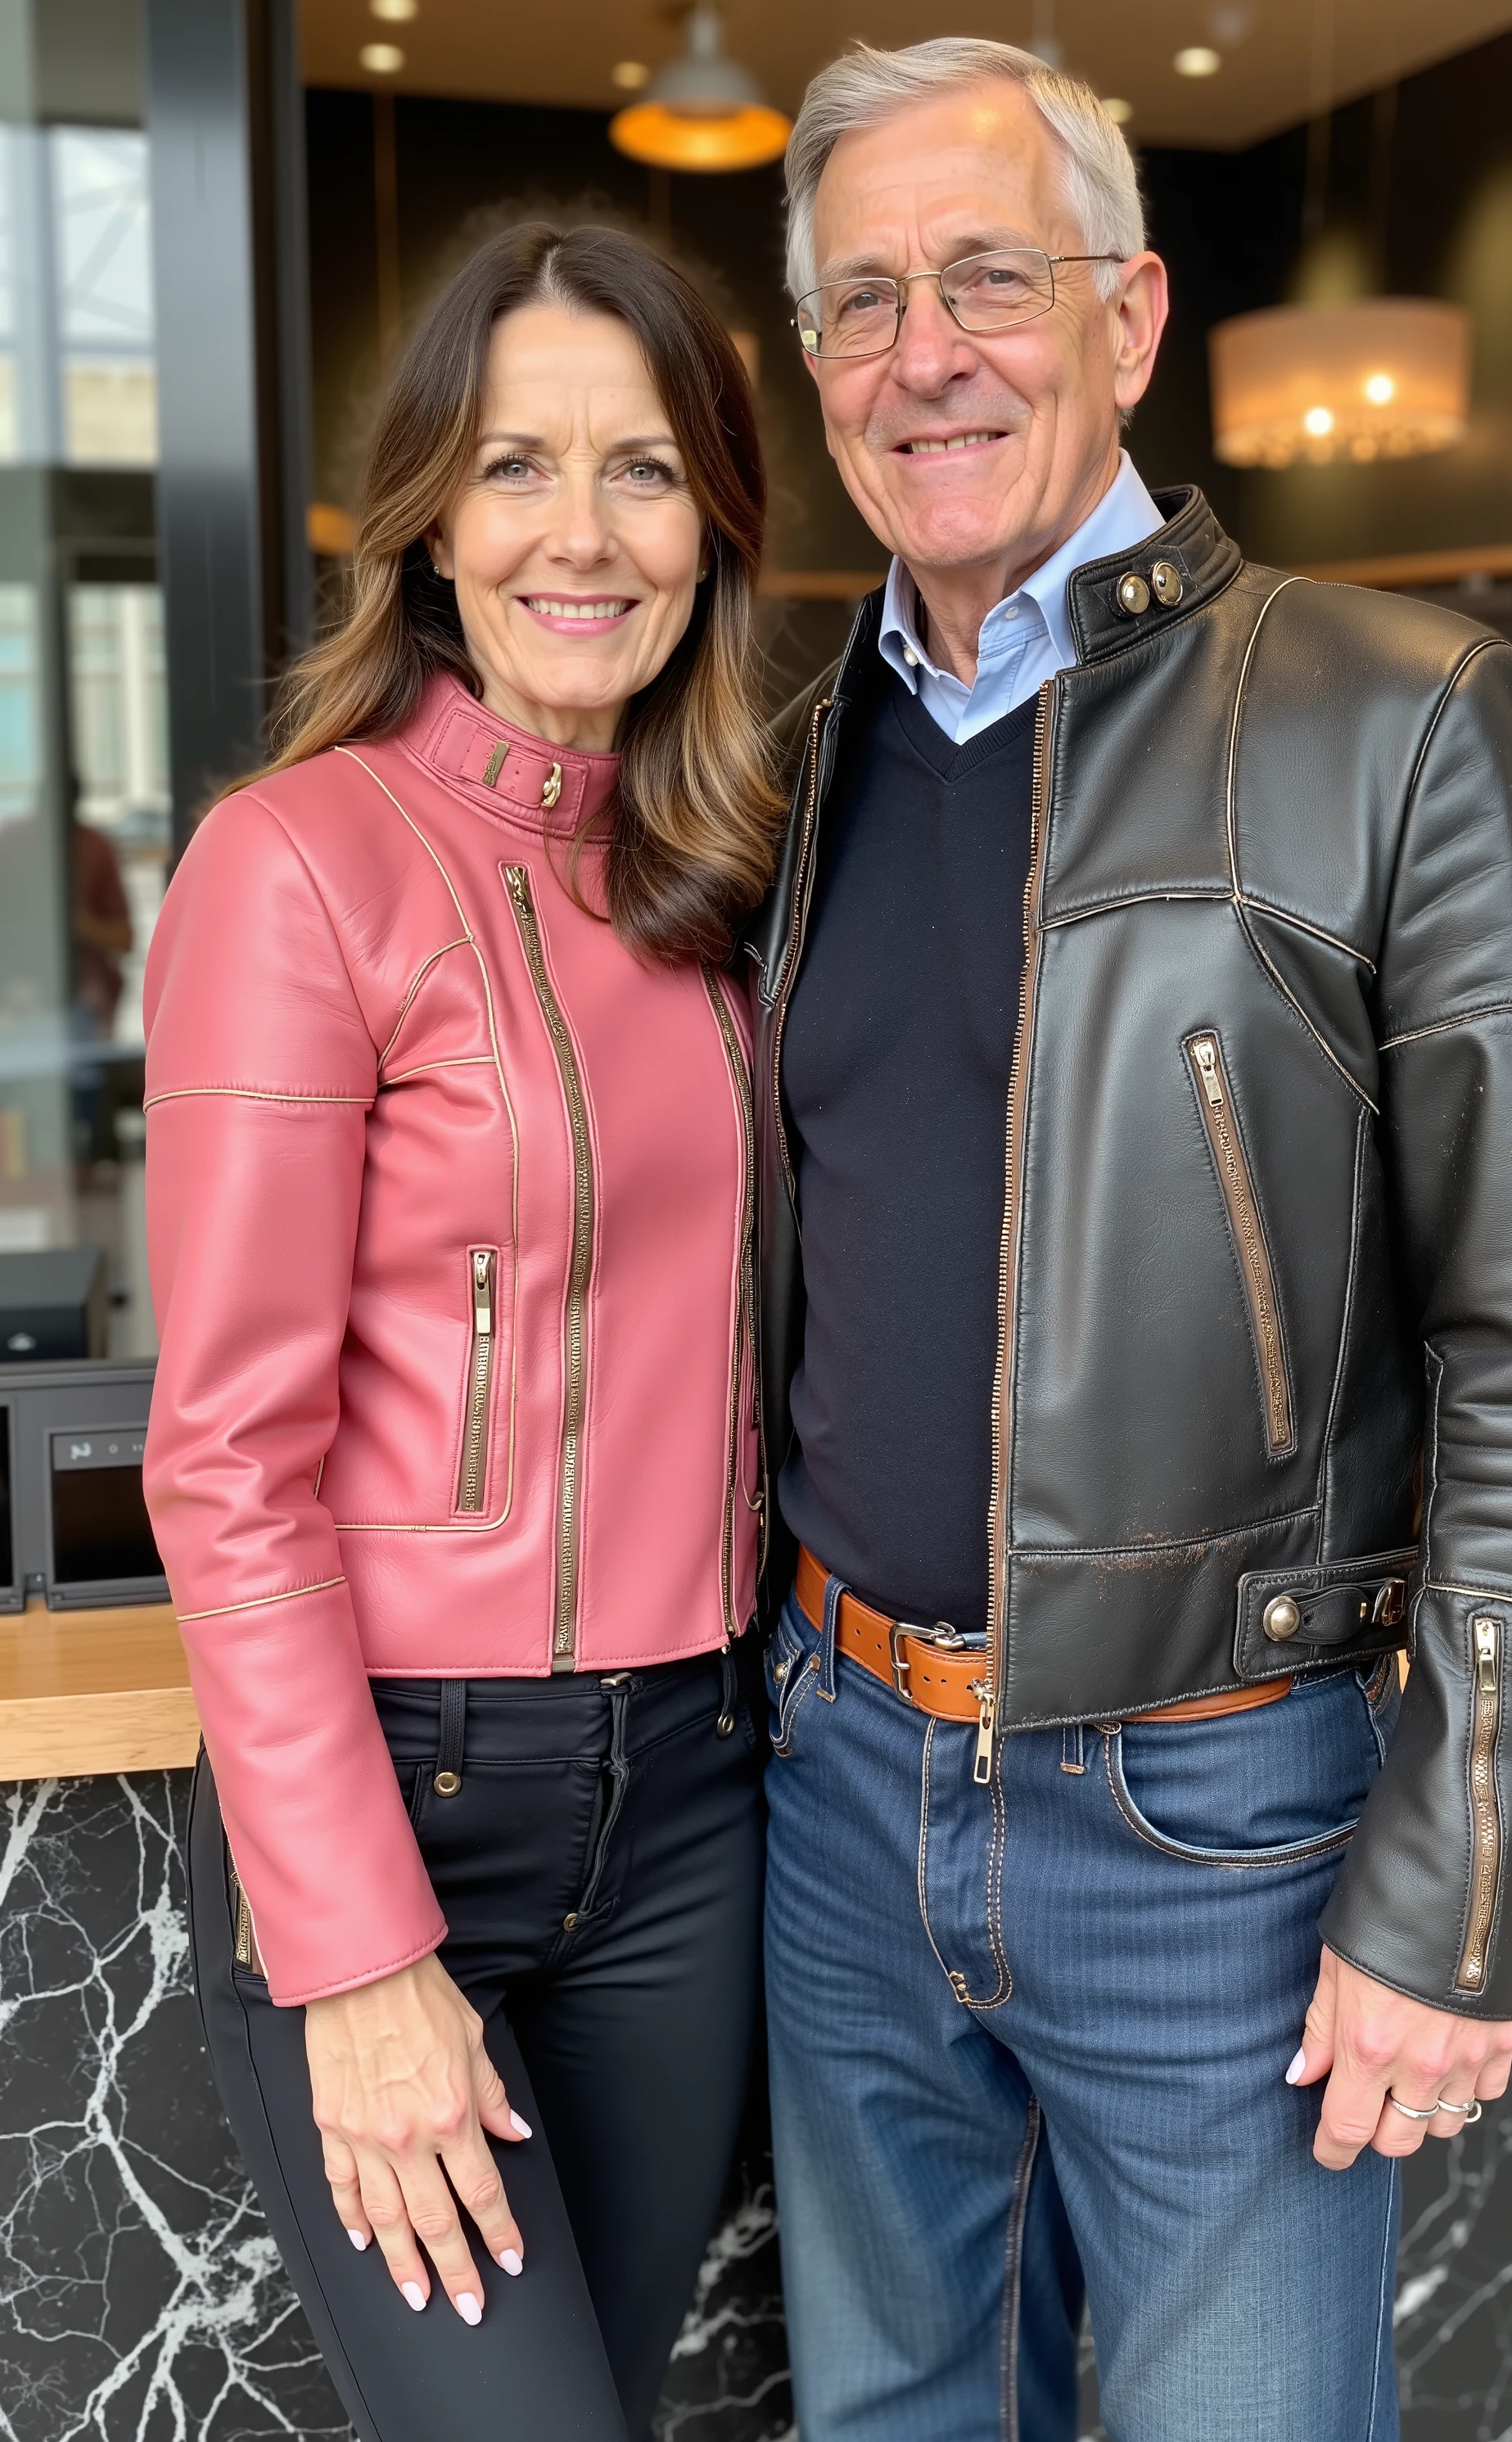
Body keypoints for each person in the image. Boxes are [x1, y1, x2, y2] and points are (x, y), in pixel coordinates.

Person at [747, 38, 1512, 2442]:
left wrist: (1453, 1892)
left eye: (985, 279)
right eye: (860, 303)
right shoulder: (790, 746)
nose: (923, 352)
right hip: (837, 1779)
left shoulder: (1405, 714)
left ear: (1130, 317)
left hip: (1219, 1820)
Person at [142, 223, 781, 2442]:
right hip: (414, 1797)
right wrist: (355, 1949)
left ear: (716, 523)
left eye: (642, 470)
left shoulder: (718, 877)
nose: (579, 536)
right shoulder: (297, 864)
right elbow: (224, 1453)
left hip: (698, 1803)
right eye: (518, 465)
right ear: (427, 513)